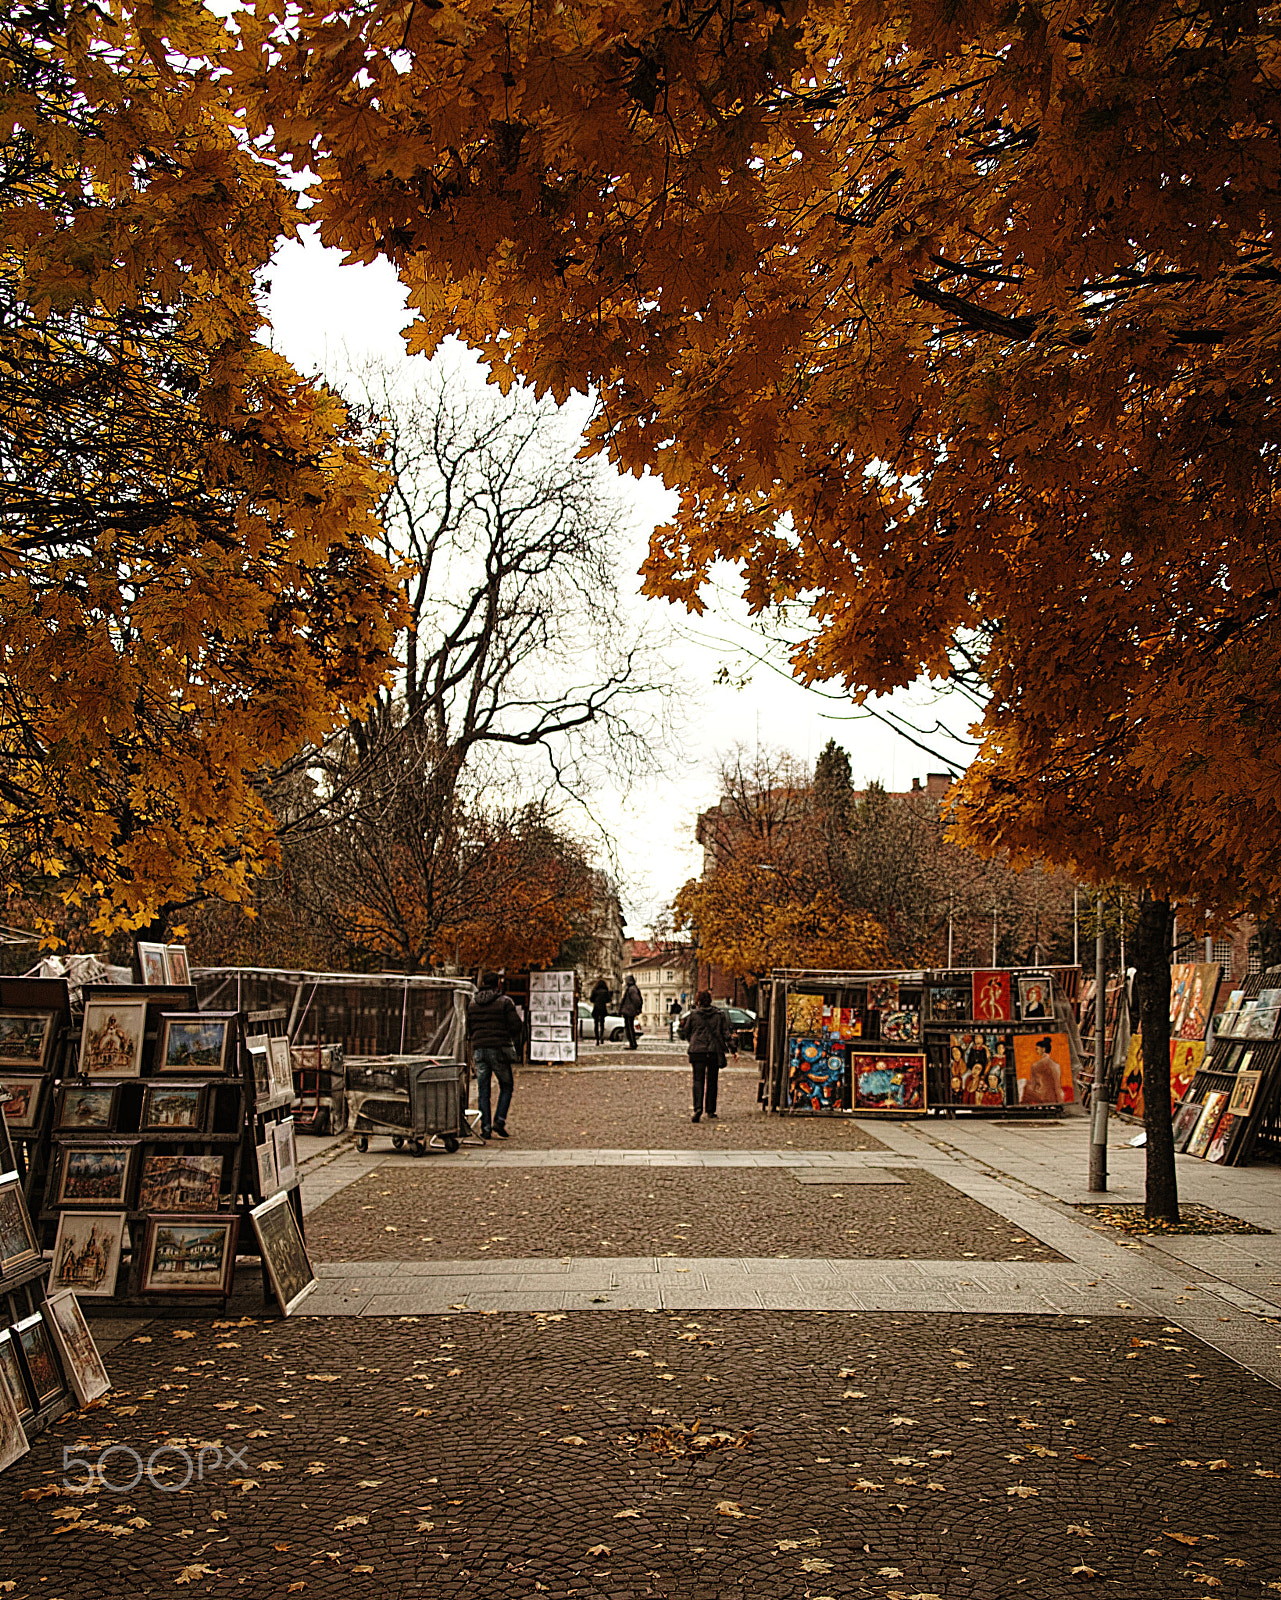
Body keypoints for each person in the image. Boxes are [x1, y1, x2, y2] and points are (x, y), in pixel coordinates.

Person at [466, 971, 524, 1139]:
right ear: (498, 983)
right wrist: (508, 1037)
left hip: (479, 1048)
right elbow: (516, 1025)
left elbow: (469, 1027)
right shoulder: (504, 1002)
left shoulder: (473, 1003)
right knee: (506, 1085)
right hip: (498, 1048)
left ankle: (485, 1127)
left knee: (483, 1090)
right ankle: (499, 1120)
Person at [678, 990, 736, 1122]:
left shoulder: (693, 1015)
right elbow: (725, 1033)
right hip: (713, 1051)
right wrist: (733, 1048)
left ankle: (698, 1107)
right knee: (712, 1080)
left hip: (697, 1050)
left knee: (697, 1080)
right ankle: (710, 1109)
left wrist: (693, 1040)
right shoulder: (719, 1015)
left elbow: (686, 1031)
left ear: (698, 1000)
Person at [619, 975, 643, 1050]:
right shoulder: (632, 988)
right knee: (629, 1028)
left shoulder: (632, 989)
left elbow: (637, 1000)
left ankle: (632, 1043)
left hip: (629, 1011)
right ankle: (632, 1043)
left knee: (629, 1028)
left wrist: (635, 1008)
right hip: (629, 1010)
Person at [589, 977, 612, 1046]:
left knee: (596, 1024)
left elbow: (591, 999)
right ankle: (602, 1037)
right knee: (602, 1024)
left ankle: (597, 1039)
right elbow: (608, 1000)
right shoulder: (605, 991)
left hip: (596, 1008)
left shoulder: (594, 991)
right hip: (603, 1008)